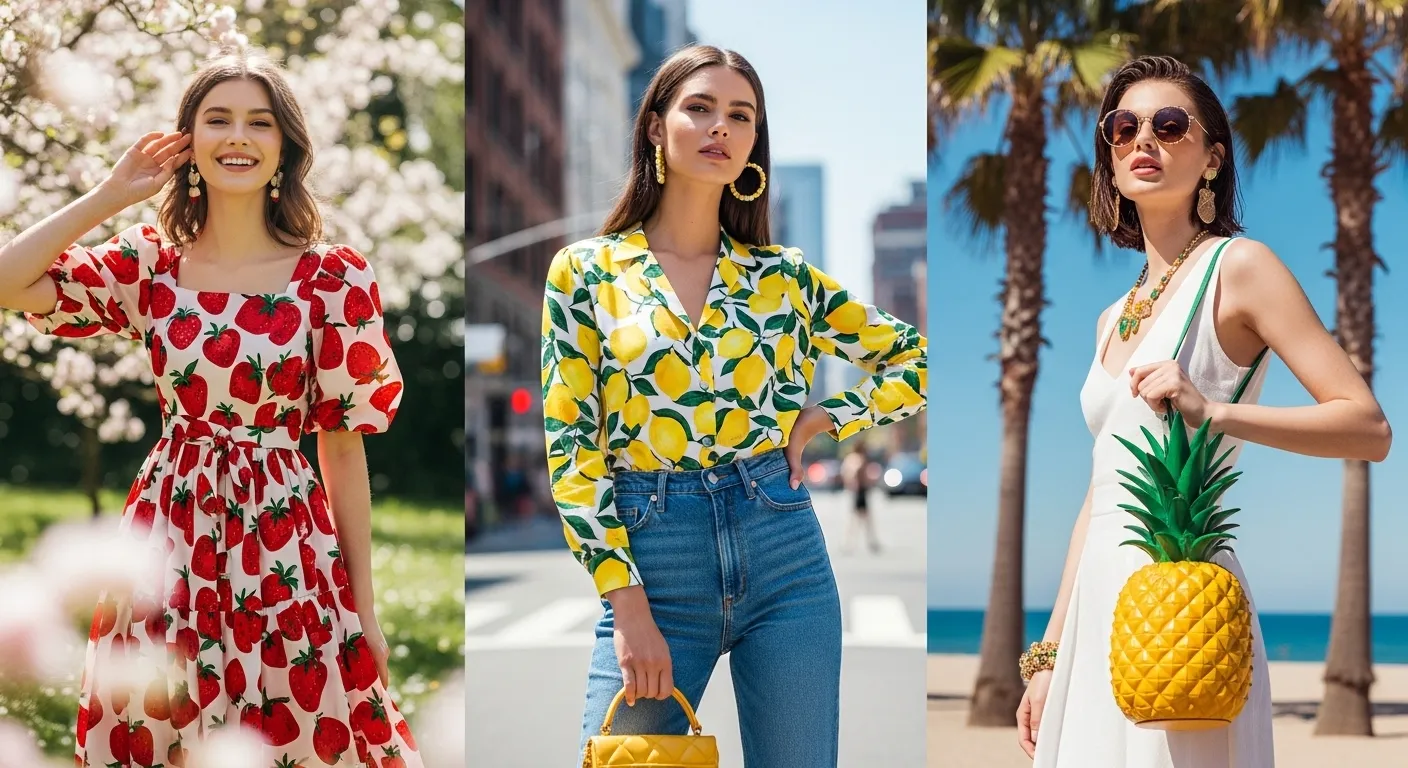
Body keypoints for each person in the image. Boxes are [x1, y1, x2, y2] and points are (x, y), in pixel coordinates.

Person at [0, 49, 422, 765]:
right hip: (170, 529)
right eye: (218, 119)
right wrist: (109, 196)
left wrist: (365, 610)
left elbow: (342, 444)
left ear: (285, 145)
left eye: (260, 122)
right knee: (160, 714)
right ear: (188, 140)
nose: (238, 137)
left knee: (293, 725)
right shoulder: (152, 264)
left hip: (285, 536)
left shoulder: (333, 278)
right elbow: (11, 281)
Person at [539, 44, 927, 767]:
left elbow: (916, 359)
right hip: (654, 558)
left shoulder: (785, 280)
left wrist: (827, 418)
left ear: (753, 142)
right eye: (700, 107)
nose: (721, 126)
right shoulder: (587, 272)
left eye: (740, 115)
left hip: (784, 556)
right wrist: (626, 605)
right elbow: (572, 446)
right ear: (655, 126)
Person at [1019, 55, 1392, 767]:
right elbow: (1101, 494)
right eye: (1122, 127)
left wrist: (1212, 411)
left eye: (1169, 125)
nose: (1142, 140)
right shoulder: (1111, 317)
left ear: (1213, 158)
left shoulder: (1240, 267)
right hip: (1102, 608)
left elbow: (1367, 427)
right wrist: (1047, 654)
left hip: (1186, 609)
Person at [840, 442, 881, 553]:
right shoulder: (859, 459)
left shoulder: (849, 458)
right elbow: (856, 472)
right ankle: (869, 542)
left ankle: (849, 543)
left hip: (854, 491)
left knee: (855, 518)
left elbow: (845, 474)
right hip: (860, 491)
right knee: (863, 519)